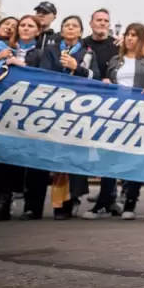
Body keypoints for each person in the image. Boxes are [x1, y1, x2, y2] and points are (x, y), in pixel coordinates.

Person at [84, 23, 144, 221]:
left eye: (134, 35)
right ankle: (104, 202)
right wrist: (107, 83)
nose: (129, 38)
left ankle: (130, 202)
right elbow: (106, 79)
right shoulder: (115, 60)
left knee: (134, 159)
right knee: (108, 158)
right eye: (128, 34)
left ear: (142, 38)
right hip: (115, 113)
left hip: (139, 114)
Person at [0, 15, 43, 221]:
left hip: (23, 110)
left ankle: (5, 201)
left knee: (12, 156)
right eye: (23, 25)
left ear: (38, 31)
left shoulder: (40, 53)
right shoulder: (3, 47)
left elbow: (44, 75)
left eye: (31, 26)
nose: (26, 29)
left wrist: (21, 64)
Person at [36, 15, 99, 219]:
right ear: (61, 31)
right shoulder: (51, 50)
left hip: (78, 109)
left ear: (80, 32)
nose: (70, 29)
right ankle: (57, 202)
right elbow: (44, 74)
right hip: (54, 107)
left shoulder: (88, 53)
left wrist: (76, 67)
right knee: (56, 156)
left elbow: (95, 77)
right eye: (66, 26)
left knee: (74, 156)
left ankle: (73, 199)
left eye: (74, 26)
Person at [83, 8, 119, 79]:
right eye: (99, 20)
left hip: (108, 89)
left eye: (106, 21)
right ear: (91, 24)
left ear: (109, 25)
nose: (103, 23)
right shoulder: (82, 44)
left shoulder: (117, 45)